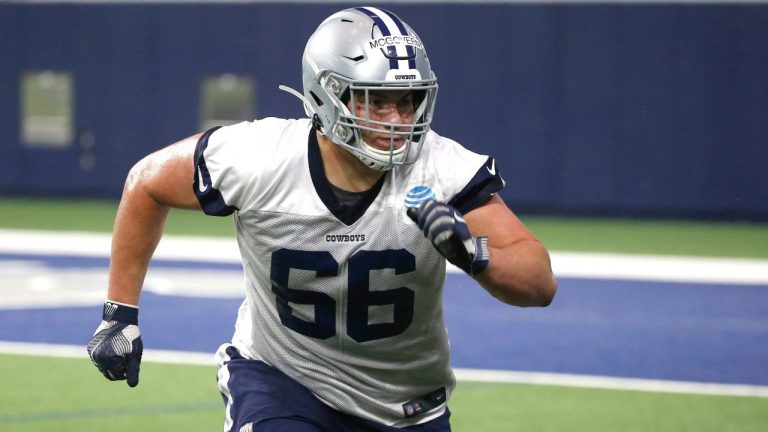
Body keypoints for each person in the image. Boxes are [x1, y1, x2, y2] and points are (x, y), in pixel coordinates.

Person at [87, 6, 557, 432]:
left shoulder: (443, 169)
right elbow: (146, 183)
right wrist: (119, 313)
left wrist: (473, 253)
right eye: (376, 100)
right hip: (283, 381)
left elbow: (539, 285)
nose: (397, 120)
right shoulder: (259, 158)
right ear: (327, 95)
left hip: (404, 404)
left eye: (408, 99)